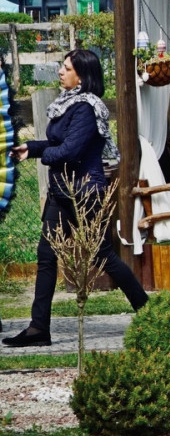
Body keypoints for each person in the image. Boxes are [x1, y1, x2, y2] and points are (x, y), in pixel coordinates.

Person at [3, 50, 148, 348]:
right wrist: (32, 148)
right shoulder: (68, 104)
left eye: (67, 68)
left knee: (103, 256)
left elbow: (70, 151)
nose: (60, 71)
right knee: (46, 256)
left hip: (84, 192)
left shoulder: (86, 108)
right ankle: (38, 328)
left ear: (81, 76)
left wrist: (45, 156)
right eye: (62, 66)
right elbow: (58, 142)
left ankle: (149, 313)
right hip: (62, 192)